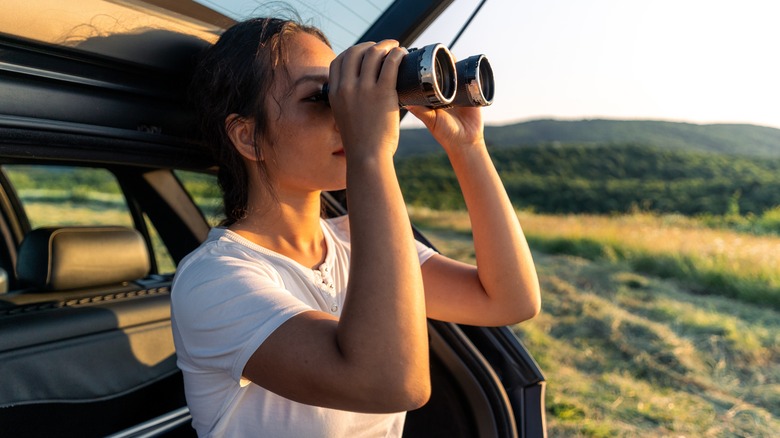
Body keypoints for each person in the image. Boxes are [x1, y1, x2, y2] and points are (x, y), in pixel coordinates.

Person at [171, 16, 541, 438]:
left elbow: (508, 300)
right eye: (322, 98)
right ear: (248, 136)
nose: (347, 115)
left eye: (346, 96)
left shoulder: (353, 242)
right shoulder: (213, 280)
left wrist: (467, 146)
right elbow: (391, 382)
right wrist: (370, 153)